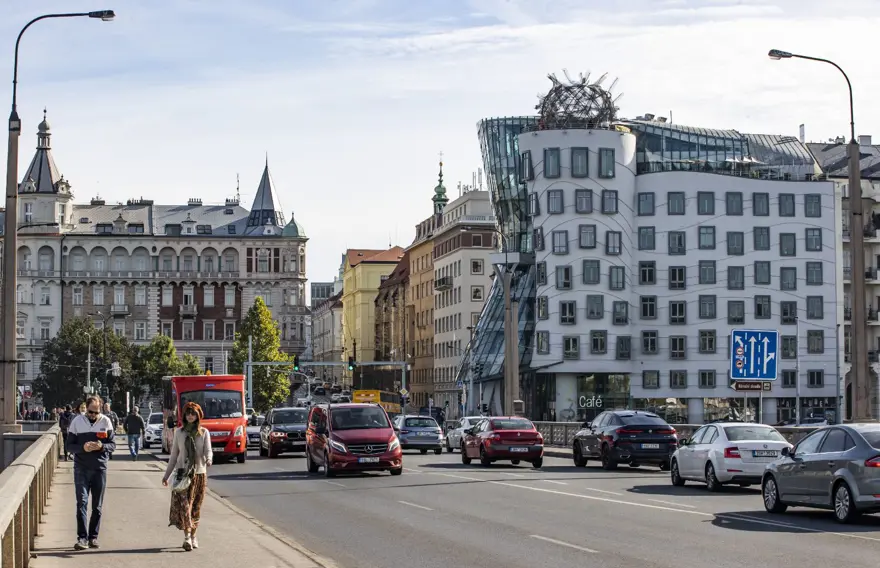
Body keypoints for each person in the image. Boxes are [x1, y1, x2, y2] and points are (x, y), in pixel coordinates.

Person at [67, 396, 116, 550]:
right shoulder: (77, 422)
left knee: (97, 506)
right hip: (81, 467)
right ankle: (82, 537)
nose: (93, 415)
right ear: (85, 409)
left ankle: (93, 537)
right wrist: (83, 447)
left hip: (99, 468)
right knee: (82, 502)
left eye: (96, 412)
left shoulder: (106, 422)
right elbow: (69, 446)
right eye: (90, 412)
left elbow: (112, 444)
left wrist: (102, 446)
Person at [163, 402, 213, 551]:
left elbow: (208, 450)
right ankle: (187, 537)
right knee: (186, 507)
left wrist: (209, 459)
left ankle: (193, 536)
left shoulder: (204, 432)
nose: (190, 416)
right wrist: (166, 475)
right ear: (184, 416)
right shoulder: (179, 432)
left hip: (199, 474)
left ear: (198, 416)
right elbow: (174, 456)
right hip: (183, 475)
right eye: (188, 413)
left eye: (193, 413)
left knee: (196, 507)